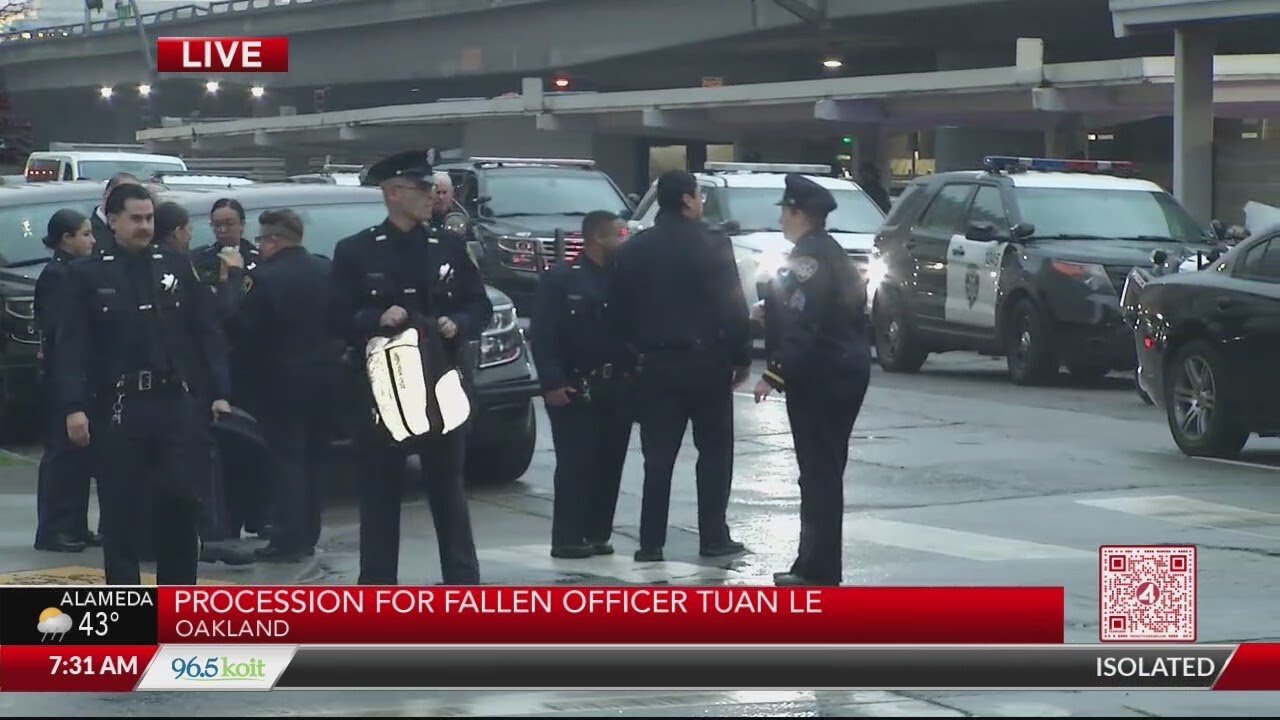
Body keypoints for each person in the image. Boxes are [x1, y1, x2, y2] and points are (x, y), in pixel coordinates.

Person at [55, 183, 232, 585]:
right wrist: (73, 406)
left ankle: (176, 608)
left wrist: (219, 392)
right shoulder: (86, 274)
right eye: (135, 218)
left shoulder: (173, 265)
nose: (144, 226)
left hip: (174, 404)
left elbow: (204, 332)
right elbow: (71, 346)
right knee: (121, 514)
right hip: (119, 406)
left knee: (181, 508)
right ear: (112, 219)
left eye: (149, 218)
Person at [330, 149, 490, 585]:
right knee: (380, 497)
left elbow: (480, 305)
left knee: (449, 493)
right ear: (393, 193)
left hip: (441, 383)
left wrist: (457, 323)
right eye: (420, 188)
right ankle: (378, 590)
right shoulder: (356, 251)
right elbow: (333, 318)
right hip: (383, 390)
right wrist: (373, 320)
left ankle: (462, 586)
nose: (430, 195)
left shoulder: (449, 246)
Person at [610, 170, 751, 562]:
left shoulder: (635, 250)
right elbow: (733, 307)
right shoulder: (714, 245)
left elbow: (617, 313)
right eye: (699, 196)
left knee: (658, 457)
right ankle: (713, 536)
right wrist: (740, 356)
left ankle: (651, 541)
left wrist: (631, 356)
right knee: (714, 453)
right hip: (707, 361)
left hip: (655, 364)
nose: (701, 202)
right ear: (688, 200)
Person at [753, 174, 872, 587]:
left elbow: (808, 320)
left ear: (798, 213)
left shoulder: (810, 258)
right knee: (822, 472)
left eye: (785, 212)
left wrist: (774, 372)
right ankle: (814, 565)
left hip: (823, 376)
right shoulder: (825, 252)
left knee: (819, 474)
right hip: (841, 370)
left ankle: (817, 570)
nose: (782, 219)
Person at [229, 209, 339, 562]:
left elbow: (243, 329)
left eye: (262, 241)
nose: (259, 247)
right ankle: (308, 533)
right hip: (326, 379)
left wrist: (233, 281)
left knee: (286, 460)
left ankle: (287, 538)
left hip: (280, 381)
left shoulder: (263, 279)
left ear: (274, 240)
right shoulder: (326, 269)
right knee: (316, 459)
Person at [153, 201, 255, 567]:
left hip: (161, 382)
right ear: (178, 231)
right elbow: (213, 322)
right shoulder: (184, 266)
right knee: (197, 460)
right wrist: (230, 279)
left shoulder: (147, 265)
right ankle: (207, 534)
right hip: (189, 381)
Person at [529, 210, 633, 559]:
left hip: (615, 384)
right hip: (575, 386)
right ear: (598, 239)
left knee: (610, 462)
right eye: (620, 233)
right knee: (576, 464)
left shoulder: (623, 280)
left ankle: (598, 532)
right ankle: (569, 538)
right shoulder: (561, 280)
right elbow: (544, 336)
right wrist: (552, 381)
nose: (626, 240)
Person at [191, 198, 268, 540]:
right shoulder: (202, 260)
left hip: (251, 364)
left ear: (242, 223)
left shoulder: (257, 258)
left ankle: (258, 514)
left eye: (229, 223)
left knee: (254, 446)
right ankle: (226, 521)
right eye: (217, 224)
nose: (223, 230)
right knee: (223, 451)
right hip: (218, 365)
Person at [33, 209, 97, 553]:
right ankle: (53, 528)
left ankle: (75, 524)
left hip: (77, 374)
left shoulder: (74, 271)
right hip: (60, 376)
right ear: (66, 239)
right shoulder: (58, 275)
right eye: (85, 234)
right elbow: (60, 333)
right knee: (61, 454)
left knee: (79, 456)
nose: (91, 240)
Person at [90, 173, 141, 254]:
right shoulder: (87, 232)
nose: (132, 201)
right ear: (107, 194)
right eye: (125, 195)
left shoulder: (142, 230)